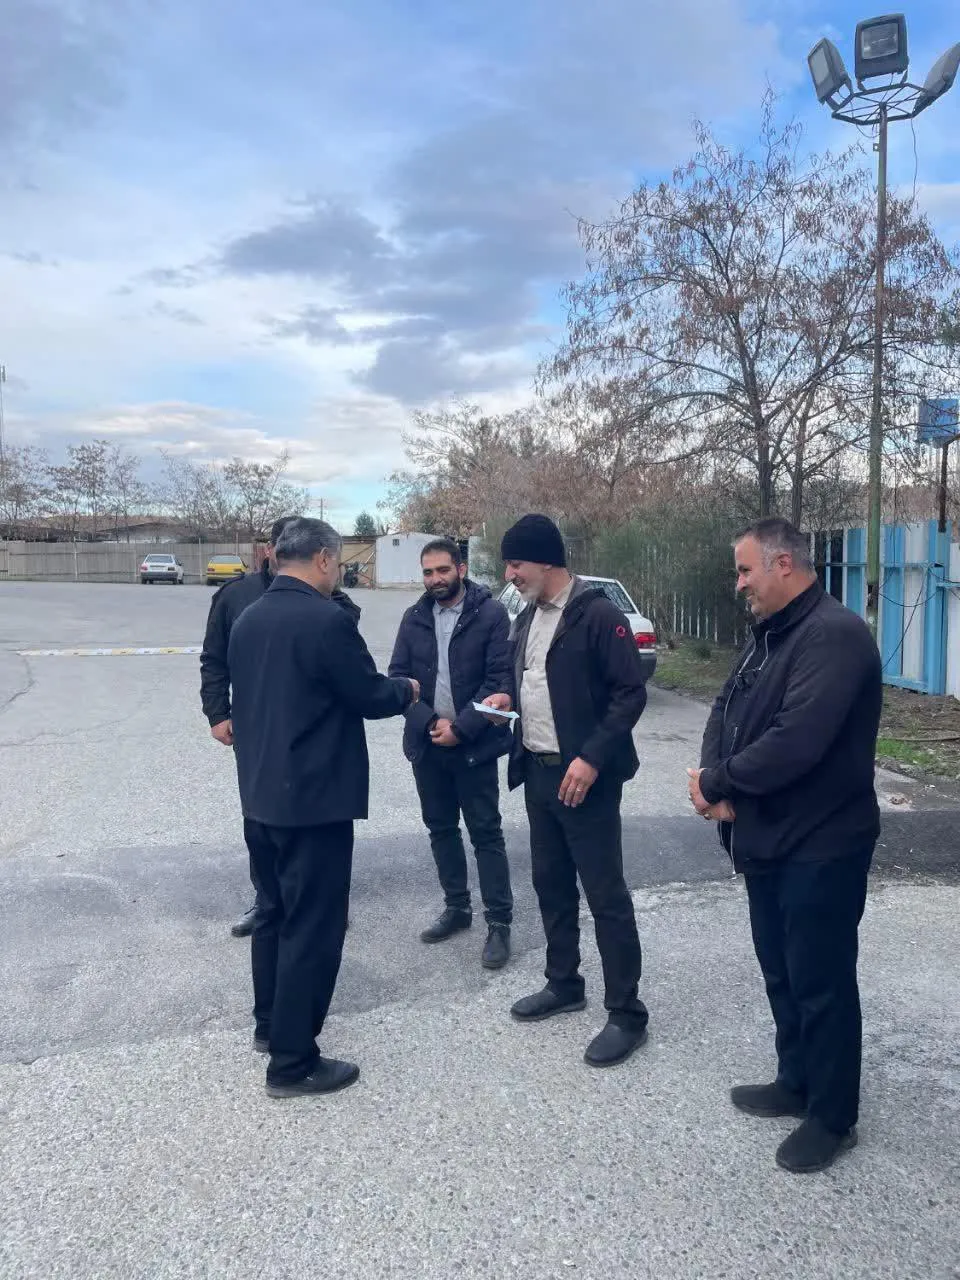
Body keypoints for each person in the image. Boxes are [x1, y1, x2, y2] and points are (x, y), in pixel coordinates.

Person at [688, 517, 882, 1174]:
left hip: (821, 845)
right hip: (768, 836)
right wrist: (711, 779)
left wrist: (720, 783)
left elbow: (797, 741)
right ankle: (795, 1080)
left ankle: (832, 1116)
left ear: (783, 565)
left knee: (821, 981)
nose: (739, 583)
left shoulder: (834, 636)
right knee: (781, 970)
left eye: (745, 570)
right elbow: (724, 707)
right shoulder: (769, 635)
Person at [228, 517, 418, 1098]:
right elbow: (367, 695)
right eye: (335, 563)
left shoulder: (248, 618)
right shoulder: (326, 619)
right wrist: (406, 689)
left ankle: (269, 1026)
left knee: (273, 914)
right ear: (324, 560)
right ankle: (292, 1062)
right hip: (313, 802)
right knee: (313, 925)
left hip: (260, 796)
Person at [489, 514, 650, 1067]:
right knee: (551, 883)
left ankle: (626, 1014)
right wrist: (507, 700)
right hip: (539, 773)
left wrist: (591, 757)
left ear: (547, 560)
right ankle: (563, 983)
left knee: (605, 895)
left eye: (516, 563)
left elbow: (630, 694)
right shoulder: (528, 616)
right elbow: (530, 680)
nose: (509, 575)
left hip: (587, 781)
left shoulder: (598, 615)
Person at [200, 516, 361, 937]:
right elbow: (213, 659)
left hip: (307, 733)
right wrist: (217, 713)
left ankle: (322, 906)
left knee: (308, 827)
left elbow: (344, 657)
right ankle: (267, 900)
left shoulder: (328, 598)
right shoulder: (236, 597)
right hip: (257, 730)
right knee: (262, 819)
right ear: (269, 549)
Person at [388, 538, 514, 969]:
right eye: (428, 572)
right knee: (441, 829)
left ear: (461, 569)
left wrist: (461, 728)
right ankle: (457, 908)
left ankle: (499, 922)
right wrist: (428, 722)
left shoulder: (490, 615)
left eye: (442, 570)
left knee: (486, 833)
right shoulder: (414, 618)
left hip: (474, 746)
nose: (435, 579)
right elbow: (398, 678)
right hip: (428, 745)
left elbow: (500, 680)